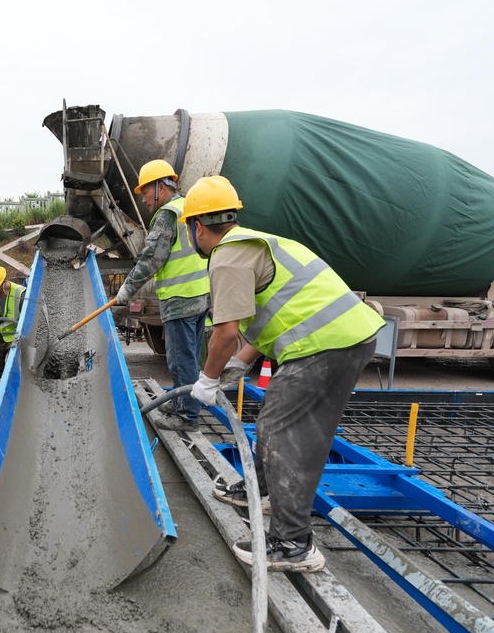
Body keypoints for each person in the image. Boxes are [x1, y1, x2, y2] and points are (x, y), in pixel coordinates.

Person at [182, 175, 384, 573]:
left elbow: (224, 333)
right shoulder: (257, 243)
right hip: (342, 337)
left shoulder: (226, 256)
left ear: (197, 227)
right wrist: (242, 362)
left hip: (326, 343)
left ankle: (293, 543)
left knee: (282, 430)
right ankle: (261, 490)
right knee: (279, 421)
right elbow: (275, 312)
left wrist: (207, 378)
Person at [114, 159, 210, 432]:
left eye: (145, 191)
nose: (143, 199)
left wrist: (127, 289)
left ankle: (187, 416)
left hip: (181, 299)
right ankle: (181, 403)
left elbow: (151, 259)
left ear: (160, 187)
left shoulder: (168, 214)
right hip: (200, 295)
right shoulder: (187, 208)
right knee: (189, 356)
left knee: (181, 360)